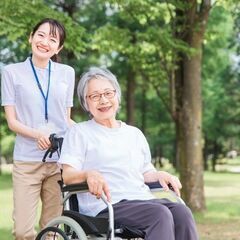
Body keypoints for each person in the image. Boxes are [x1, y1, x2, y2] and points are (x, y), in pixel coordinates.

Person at [59, 67, 199, 240]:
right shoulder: (79, 133)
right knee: (159, 214)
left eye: (108, 93)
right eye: (95, 96)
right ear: (86, 103)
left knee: (181, 212)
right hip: (106, 205)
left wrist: (160, 174)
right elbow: (68, 175)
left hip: (142, 200)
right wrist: (88, 174)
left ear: (117, 95)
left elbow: (144, 172)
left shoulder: (134, 134)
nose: (103, 100)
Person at [1, 18, 75, 240]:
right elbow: (12, 122)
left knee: (51, 230)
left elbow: (66, 119)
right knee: (23, 231)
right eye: (41, 35)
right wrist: (38, 135)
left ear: (59, 47)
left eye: (53, 39)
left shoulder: (67, 72)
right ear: (31, 37)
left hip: (58, 161)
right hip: (26, 161)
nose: (45, 42)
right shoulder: (11, 72)